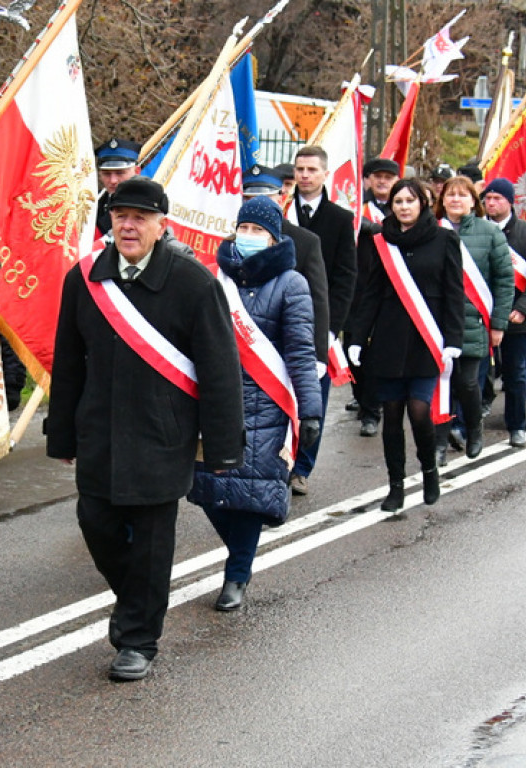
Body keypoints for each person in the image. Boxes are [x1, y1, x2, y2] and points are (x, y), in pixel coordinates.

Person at [46, 176, 244, 681]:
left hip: (163, 436)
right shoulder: (84, 279)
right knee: (96, 524)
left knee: (153, 544)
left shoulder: (193, 282)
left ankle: (137, 640)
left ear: (161, 225)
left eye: (140, 218)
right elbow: (67, 363)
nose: (128, 226)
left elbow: (220, 370)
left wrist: (223, 445)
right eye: (120, 217)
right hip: (100, 433)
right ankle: (137, 600)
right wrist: (62, 434)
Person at [188, 196, 321, 611]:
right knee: (207, 488)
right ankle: (240, 554)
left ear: (273, 238)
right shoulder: (213, 279)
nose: (247, 236)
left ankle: (237, 574)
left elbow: (301, 352)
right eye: (243, 228)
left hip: (266, 402)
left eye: (257, 231)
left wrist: (310, 409)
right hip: (214, 401)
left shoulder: (291, 284)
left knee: (250, 493)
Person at [348, 178, 464, 512]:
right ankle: (395, 486)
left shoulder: (444, 239)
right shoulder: (381, 241)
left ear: (423, 204)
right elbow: (370, 294)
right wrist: (357, 338)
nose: (403, 207)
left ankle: (429, 471)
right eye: (398, 201)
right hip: (390, 339)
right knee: (392, 414)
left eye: (410, 201)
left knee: (419, 410)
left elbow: (454, 293)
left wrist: (453, 340)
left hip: (427, 339)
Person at [243, 163, 329, 486]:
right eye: (249, 197)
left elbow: (317, 301)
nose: (256, 203)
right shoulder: (229, 254)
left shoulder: (304, 242)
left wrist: (320, 353)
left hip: (281, 357)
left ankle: (298, 469)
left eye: (264, 196)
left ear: (281, 197)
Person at [285, 145, 356, 497]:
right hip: (280, 316)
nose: (305, 175)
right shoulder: (281, 210)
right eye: (300, 169)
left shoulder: (340, 219)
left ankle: (302, 468)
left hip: (318, 323)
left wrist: (329, 327)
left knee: (314, 396)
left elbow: (345, 277)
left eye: (312, 169)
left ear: (325, 174)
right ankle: (279, 460)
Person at [433, 175, 513, 464]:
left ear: (473, 201)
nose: (455, 200)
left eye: (462, 195)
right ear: (442, 200)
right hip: (438, 322)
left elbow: (504, 280)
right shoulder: (432, 230)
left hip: (473, 322)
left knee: (467, 383)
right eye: (450, 195)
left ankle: (474, 428)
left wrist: (499, 323)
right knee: (441, 385)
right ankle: (439, 443)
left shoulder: (489, 232)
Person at [482, 177, 526, 447]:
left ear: (509, 202)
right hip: (482, 313)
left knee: (515, 373)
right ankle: (466, 425)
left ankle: (516, 425)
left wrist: (524, 309)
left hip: (516, 316)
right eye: (487, 198)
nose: (491, 203)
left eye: (497, 198)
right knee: (475, 374)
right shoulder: (476, 229)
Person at [346, 157, 401, 437]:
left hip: (390, 292)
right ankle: (362, 399)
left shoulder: (402, 208)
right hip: (357, 290)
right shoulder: (357, 208)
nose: (382, 182)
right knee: (353, 351)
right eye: (377, 176)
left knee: (379, 354)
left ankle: (372, 411)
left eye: (388, 177)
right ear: (367, 180)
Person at [94, 138, 141, 239]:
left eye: (120, 173)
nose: (113, 180)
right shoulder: (94, 201)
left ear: (137, 171)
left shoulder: (148, 204)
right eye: (106, 174)